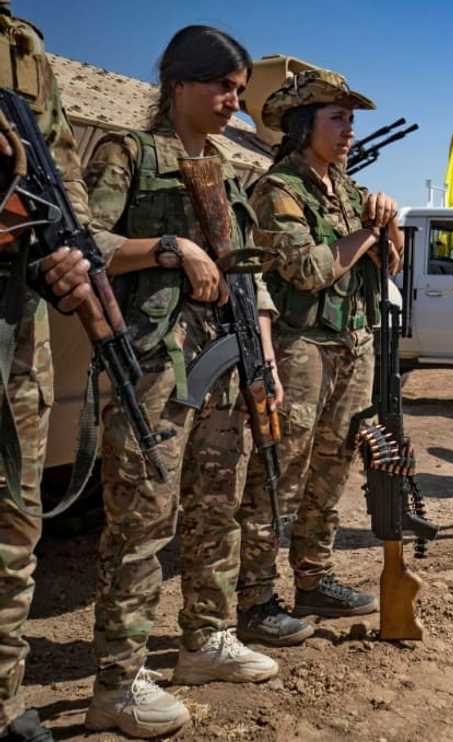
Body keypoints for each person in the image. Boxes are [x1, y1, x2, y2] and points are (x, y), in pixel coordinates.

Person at [82, 26, 281, 738]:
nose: (233, 102)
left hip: (226, 363)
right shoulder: (128, 153)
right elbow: (83, 246)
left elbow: (248, 273)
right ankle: (117, 682)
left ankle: (205, 640)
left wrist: (264, 358)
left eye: (237, 89)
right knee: (142, 519)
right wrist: (168, 247)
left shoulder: (227, 171)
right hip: (155, 368)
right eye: (222, 87)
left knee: (217, 507)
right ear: (179, 85)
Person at [235, 69, 402, 645]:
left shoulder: (351, 191)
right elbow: (306, 271)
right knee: (279, 474)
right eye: (338, 119)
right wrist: (368, 235)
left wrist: (389, 223)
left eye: (352, 120)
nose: (349, 131)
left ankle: (314, 578)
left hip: (353, 345)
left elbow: (390, 268)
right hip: (300, 347)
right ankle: (255, 600)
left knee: (334, 468)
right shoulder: (278, 189)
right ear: (305, 126)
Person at [0, 3, 95, 739]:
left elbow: (61, 173)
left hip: (14, 319)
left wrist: (70, 244)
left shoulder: (20, 46)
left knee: (13, 523)